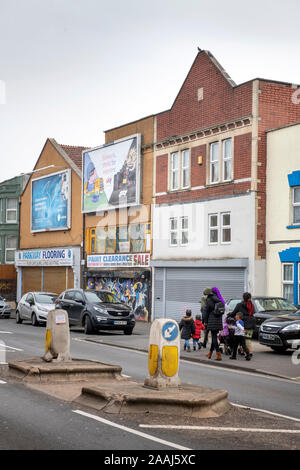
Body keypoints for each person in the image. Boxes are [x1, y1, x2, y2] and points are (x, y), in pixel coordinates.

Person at [228, 292, 256, 357]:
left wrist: (228, 315)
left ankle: (249, 352)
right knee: (247, 338)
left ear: (243, 298)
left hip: (244, 323)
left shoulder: (239, 305)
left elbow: (234, 313)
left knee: (244, 339)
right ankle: (244, 351)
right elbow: (253, 312)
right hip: (251, 322)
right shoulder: (251, 304)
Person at [202, 289, 224, 360]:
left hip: (212, 319)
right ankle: (210, 353)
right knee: (214, 336)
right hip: (218, 319)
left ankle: (218, 355)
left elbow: (205, 311)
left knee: (214, 337)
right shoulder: (218, 298)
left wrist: (205, 321)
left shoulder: (209, 300)